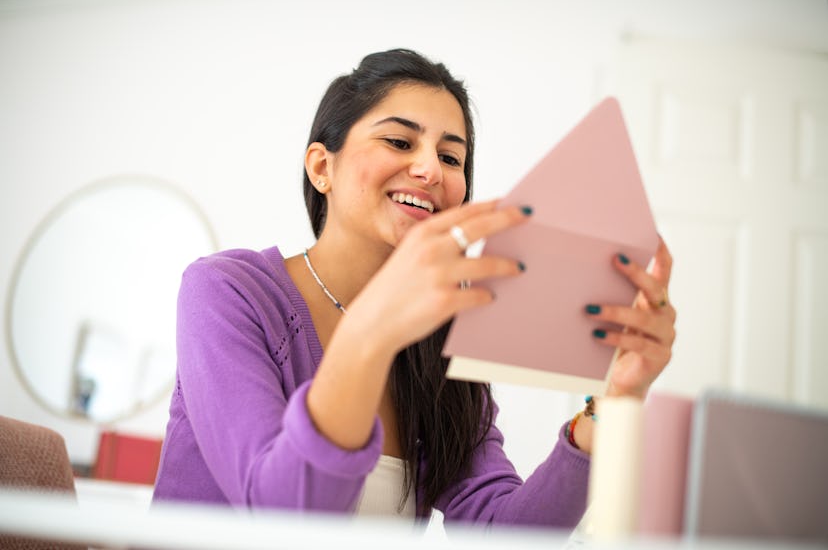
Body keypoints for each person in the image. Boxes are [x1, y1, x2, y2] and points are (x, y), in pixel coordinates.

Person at [152, 48, 677, 528]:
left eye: (452, 158)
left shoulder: (444, 339)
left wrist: (612, 400)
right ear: (321, 167)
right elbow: (282, 516)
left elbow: (504, 532)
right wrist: (371, 332)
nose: (429, 169)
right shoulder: (227, 293)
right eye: (399, 141)